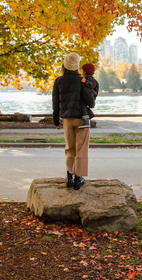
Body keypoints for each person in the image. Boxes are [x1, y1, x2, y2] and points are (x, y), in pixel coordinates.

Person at [52, 52, 96, 190]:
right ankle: (78, 178)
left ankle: (69, 177)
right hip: (82, 119)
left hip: (67, 119)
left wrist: (56, 121)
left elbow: (55, 103)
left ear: (65, 65)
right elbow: (91, 102)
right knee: (81, 149)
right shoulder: (81, 80)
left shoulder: (58, 81)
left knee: (69, 148)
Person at [78, 63, 99, 129]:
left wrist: (85, 81)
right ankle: (88, 115)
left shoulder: (91, 80)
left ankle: (86, 120)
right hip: (89, 96)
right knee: (82, 106)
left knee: (82, 105)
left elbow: (91, 85)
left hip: (91, 96)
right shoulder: (88, 79)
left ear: (85, 71)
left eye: (82, 70)